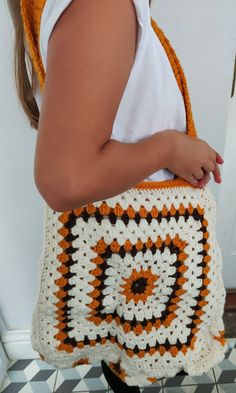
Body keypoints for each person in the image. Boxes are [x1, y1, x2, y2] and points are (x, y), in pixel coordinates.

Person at [7, 1, 224, 392]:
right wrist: (169, 149)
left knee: (124, 352)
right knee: (131, 353)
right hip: (140, 243)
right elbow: (65, 180)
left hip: (126, 247)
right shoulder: (100, 6)